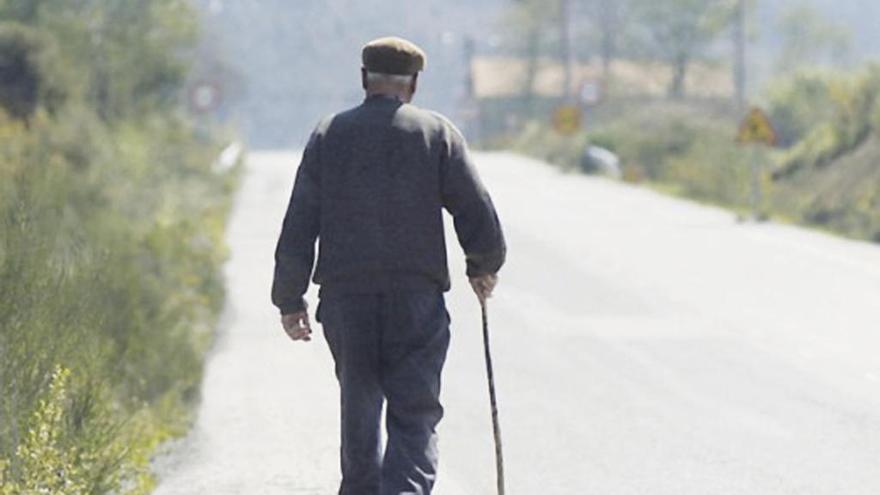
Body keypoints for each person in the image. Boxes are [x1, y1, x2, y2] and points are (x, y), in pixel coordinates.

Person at [271, 36, 506, 495]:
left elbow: (300, 220)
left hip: (346, 301)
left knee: (358, 411)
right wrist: (483, 263)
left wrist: (289, 298)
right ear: (414, 85)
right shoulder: (436, 134)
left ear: (364, 79)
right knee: (414, 415)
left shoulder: (328, 135)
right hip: (416, 302)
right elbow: (475, 209)